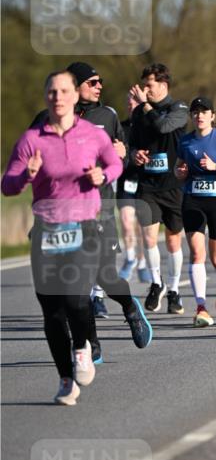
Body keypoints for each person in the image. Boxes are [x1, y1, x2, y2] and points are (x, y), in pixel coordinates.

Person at [2, 70, 124, 404]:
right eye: (52, 92)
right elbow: (7, 185)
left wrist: (104, 174)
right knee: (52, 311)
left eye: (64, 91)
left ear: (74, 96)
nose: (58, 97)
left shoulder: (92, 135)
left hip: (83, 227)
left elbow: (115, 164)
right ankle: (66, 379)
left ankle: (82, 346)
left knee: (75, 299)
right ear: (47, 97)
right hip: (46, 231)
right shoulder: (32, 139)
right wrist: (26, 175)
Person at [30, 62, 152, 361]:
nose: (99, 86)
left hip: (101, 208)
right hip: (62, 213)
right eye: (93, 82)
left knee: (106, 276)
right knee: (78, 284)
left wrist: (122, 160)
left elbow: (119, 161)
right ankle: (89, 344)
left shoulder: (107, 116)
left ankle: (128, 306)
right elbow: (31, 160)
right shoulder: (43, 121)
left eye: (100, 82)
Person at [129, 63, 189, 313]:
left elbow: (163, 127)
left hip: (173, 185)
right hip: (148, 185)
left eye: (149, 85)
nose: (145, 90)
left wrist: (144, 105)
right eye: (144, 85)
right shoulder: (139, 113)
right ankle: (157, 283)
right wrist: (135, 155)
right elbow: (133, 144)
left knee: (173, 241)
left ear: (163, 86)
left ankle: (174, 290)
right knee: (148, 238)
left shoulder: (179, 109)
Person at [174, 97, 216, 326]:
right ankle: (201, 307)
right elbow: (178, 167)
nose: (199, 116)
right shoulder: (186, 141)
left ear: (213, 116)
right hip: (193, 198)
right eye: (195, 112)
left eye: (204, 112)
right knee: (197, 254)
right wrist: (179, 172)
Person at [118, 91, 151, 284]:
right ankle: (130, 258)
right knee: (126, 220)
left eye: (134, 103)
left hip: (145, 181)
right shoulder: (120, 128)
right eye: (128, 104)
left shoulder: (147, 126)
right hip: (126, 180)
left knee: (142, 227)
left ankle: (141, 262)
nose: (131, 106)